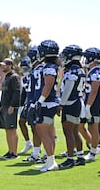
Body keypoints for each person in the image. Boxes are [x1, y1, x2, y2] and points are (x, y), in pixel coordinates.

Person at [33, 39, 60, 172]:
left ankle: (51, 161)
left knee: (43, 131)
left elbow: (48, 85)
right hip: (48, 102)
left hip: (47, 103)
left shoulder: (49, 67)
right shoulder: (48, 66)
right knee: (47, 132)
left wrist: (40, 101)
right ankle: (50, 160)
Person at [58, 45, 86, 168]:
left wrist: (61, 104)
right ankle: (80, 156)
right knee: (75, 131)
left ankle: (70, 158)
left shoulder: (71, 71)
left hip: (70, 102)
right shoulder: (80, 70)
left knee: (68, 132)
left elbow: (68, 89)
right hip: (78, 102)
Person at [82, 47, 100, 162]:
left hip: (94, 104)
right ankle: (93, 146)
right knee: (81, 126)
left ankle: (93, 151)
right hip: (89, 102)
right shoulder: (91, 72)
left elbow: (94, 91)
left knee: (93, 127)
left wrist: (88, 106)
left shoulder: (97, 72)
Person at [23, 47, 44, 163]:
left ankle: (46, 154)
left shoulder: (40, 70)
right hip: (32, 101)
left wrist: (37, 102)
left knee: (42, 130)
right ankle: (36, 153)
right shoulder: (35, 70)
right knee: (35, 129)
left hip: (38, 102)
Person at [0, 58, 21, 159]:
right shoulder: (6, 77)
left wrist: (12, 106)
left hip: (10, 106)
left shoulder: (14, 77)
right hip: (4, 106)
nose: (3, 66)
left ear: (11, 66)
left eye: (5, 65)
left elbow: (17, 92)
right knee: (7, 130)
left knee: (12, 129)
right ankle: (10, 151)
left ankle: (14, 153)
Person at [18, 56, 33, 154]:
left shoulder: (34, 75)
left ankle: (38, 146)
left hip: (34, 102)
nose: (24, 70)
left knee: (34, 126)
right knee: (21, 122)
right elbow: (24, 92)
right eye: (23, 68)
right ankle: (28, 143)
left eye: (26, 68)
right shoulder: (24, 78)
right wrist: (20, 105)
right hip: (27, 103)